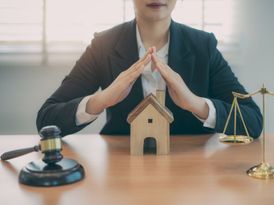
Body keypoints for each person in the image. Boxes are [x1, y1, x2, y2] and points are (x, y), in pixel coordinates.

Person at [37, 0, 262, 138]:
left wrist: (194, 102)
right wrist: (102, 99)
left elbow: (252, 120)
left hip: (193, 172)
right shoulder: (103, 45)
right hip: (121, 170)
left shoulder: (203, 45)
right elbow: (47, 119)